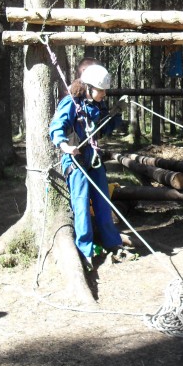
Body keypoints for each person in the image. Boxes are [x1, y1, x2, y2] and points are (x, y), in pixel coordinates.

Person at [49, 60, 130, 271]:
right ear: (89, 88)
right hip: (76, 161)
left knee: (103, 203)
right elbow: (57, 126)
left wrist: (117, 112)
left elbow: (104, 128)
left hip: (94, 160)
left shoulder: (97, 104)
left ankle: (113, 243)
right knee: (82, 206)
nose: (104, 94)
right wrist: (65, 145)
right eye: (101, 91)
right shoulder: (71, 103)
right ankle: (85, 252)